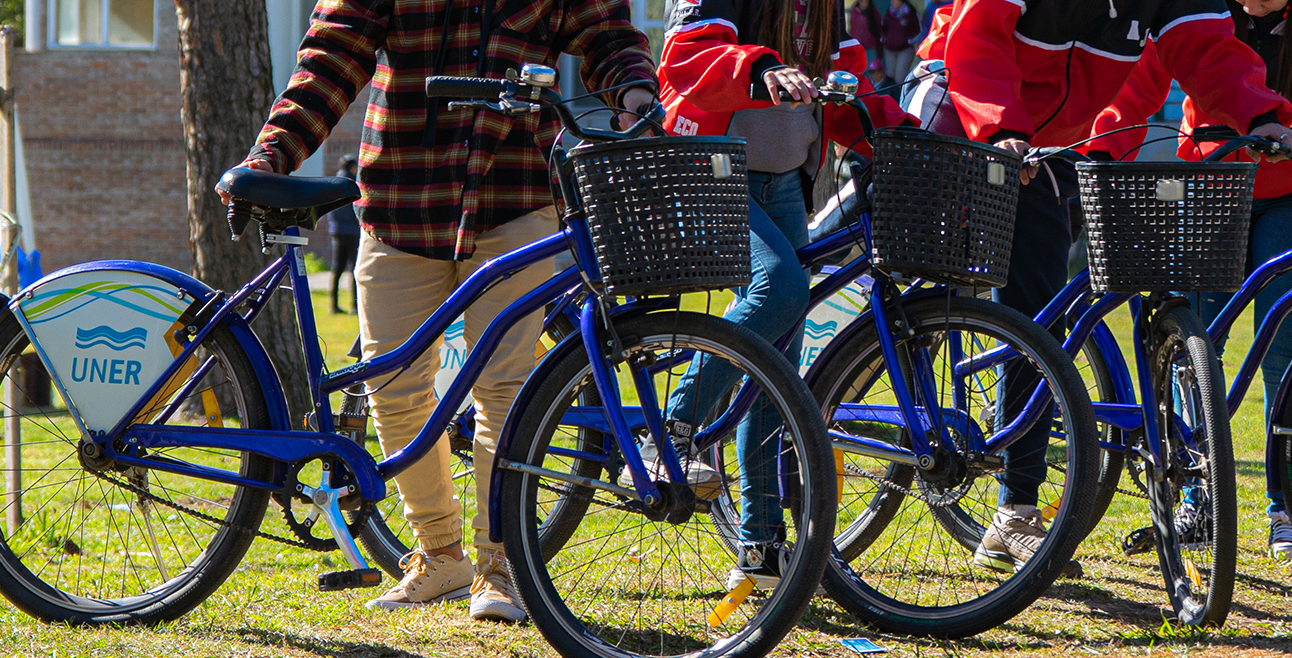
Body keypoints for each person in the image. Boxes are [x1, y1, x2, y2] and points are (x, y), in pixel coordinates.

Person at [219, 0, 660, 621]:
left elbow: (607, 33)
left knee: (506, 390)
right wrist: (272, 153)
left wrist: (634, 88)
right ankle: (440, 554)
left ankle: (502, 564)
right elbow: (332, 56)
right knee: (392, 386)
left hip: (514, 196)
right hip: (402, 194)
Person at [926, 0, 1292, 571]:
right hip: (962, 102)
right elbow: (977, 37)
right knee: (907, 274)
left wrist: (1258, 115)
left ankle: (1013, 516)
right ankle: (848, 387)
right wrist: (1000, 124)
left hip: (1047, 145)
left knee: (1037, 319)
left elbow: (1205, 52)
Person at [1094, 0, 1292, 560]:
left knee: (1287, 355)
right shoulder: (1198, 8)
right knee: (1193, 350)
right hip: (1214, 179)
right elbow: (1137, 85)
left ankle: (1286, 509)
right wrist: (1100, 146)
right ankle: (1199, 498)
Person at [659, 0, 912, 586]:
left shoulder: (826, 10)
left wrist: (907, 136)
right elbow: (683, 60)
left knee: (778, 368)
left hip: (784, 185)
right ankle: (670, 429)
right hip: (712, 169)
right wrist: (761, 69)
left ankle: (761, 543)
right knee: (781, 287)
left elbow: (847, 94)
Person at [324, 154, 360, 315]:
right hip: (352, 232)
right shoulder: (353, 185)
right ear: (352, 167)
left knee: (337, 269)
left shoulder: (334, 185)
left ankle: (334, 305)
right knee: (354, 269)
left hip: (337, 231)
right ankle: (355, 305)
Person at [879, 0, 921, 84]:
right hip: (889, 49)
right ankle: (893, 96)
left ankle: (903, 96)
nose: (893, 1)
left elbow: (917, 30)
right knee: (891, 77)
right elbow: (883, 29)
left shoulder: (910, 13)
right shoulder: (888, 13)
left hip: (905, 49)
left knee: (900, 78)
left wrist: (909, 40)